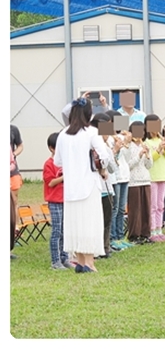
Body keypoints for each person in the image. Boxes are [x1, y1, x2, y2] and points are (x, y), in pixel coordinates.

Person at [53, 99, 113, 272]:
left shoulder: (63, 134)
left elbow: (57, 161)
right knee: (90, 222)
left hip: (71, 187)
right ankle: (89, 262)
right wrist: (101, 168)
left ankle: (79, 261)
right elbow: (105, 157)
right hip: (89, 184)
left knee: (75, 223)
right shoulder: (91, 132)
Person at [43, 133, 69, 269]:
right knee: (56, 231)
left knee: (65, 230)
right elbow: (51, 182)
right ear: (52, 149)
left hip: (66, 199)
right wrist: (65, 176)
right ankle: (55, 261)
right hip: (55, 201)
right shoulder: (49, 164)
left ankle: (65, 258)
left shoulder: (66, 161)